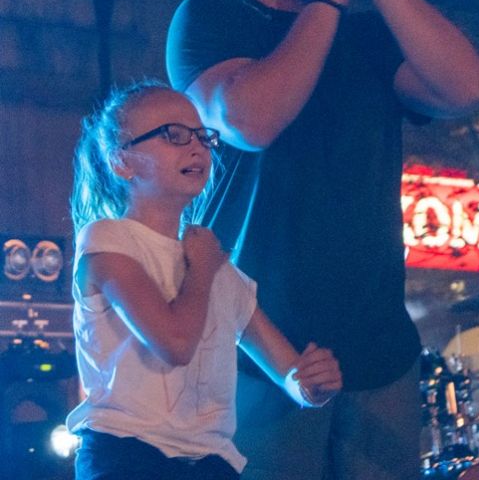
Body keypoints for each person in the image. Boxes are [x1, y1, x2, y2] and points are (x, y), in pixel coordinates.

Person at [165, 0, 479, 480]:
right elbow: (249, 120)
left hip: (379, 353)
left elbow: (469, 89)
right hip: (260, 355)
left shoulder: (361, 33)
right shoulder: (208, 20)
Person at [66, 79, 342, 480]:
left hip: (213, 464)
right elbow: (175, 342)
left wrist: (314, 384)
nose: (196, 147)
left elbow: (289, 372)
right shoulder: (108, 239)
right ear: (121, 161)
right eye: (173, 134)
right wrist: (201, 268)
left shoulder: (217, 269)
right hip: (127, 456)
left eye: (202, 136)